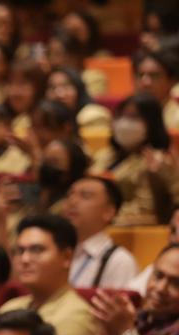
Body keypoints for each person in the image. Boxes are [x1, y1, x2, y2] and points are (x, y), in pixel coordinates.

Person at [0, 214, 97, 335]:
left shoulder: (76, 316)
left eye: (37, 250)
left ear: (67, 257)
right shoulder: (10, 308)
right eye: (19, 251)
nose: (24, 259)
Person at [89, 92, 179, 226]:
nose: (124, 123)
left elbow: (145, 212)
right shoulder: (105, 155)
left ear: (152, 124)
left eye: (134, 117)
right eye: (120, 116)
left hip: (124, 228)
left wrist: (100, 215)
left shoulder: (157, 162)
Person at [63, 176, 138, 289]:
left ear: (108, 212)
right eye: (70, 195)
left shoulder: (119, 261)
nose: (72, 201)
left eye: (85, 196)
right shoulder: (55, 253)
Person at [133, 48, 179, 131]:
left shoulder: (177, 119)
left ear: (172, 81)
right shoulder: (126, 115)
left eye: (154, 76)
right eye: (140, 75)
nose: (145, 83)